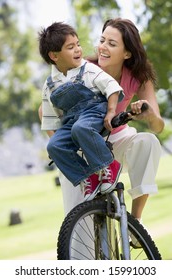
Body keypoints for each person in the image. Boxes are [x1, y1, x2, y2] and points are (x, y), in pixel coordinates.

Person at [38, 18, 164, 224]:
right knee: (79, 228)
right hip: (82, 145)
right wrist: (68, 150)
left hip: (118, 139)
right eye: (102, 40)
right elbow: (45, 111)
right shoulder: (83, 68)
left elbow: (158, 126)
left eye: (111, 44)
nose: (103, 48)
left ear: (127, 53)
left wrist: (148, 114)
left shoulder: (138, 76)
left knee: (148, 142)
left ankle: (136, 220)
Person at [38, 22, 125, 202]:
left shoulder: (88, 69)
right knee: (54, 146)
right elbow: (50, 120)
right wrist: (63, 147)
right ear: (54, 55)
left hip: (95, 110)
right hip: (72, 121)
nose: (78, 50)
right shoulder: (50, 85)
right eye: (71, 47)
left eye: (78, 44)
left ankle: (109, 165)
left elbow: (112, 87)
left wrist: (110, 112)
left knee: (80, 128)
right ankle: (89, 178)